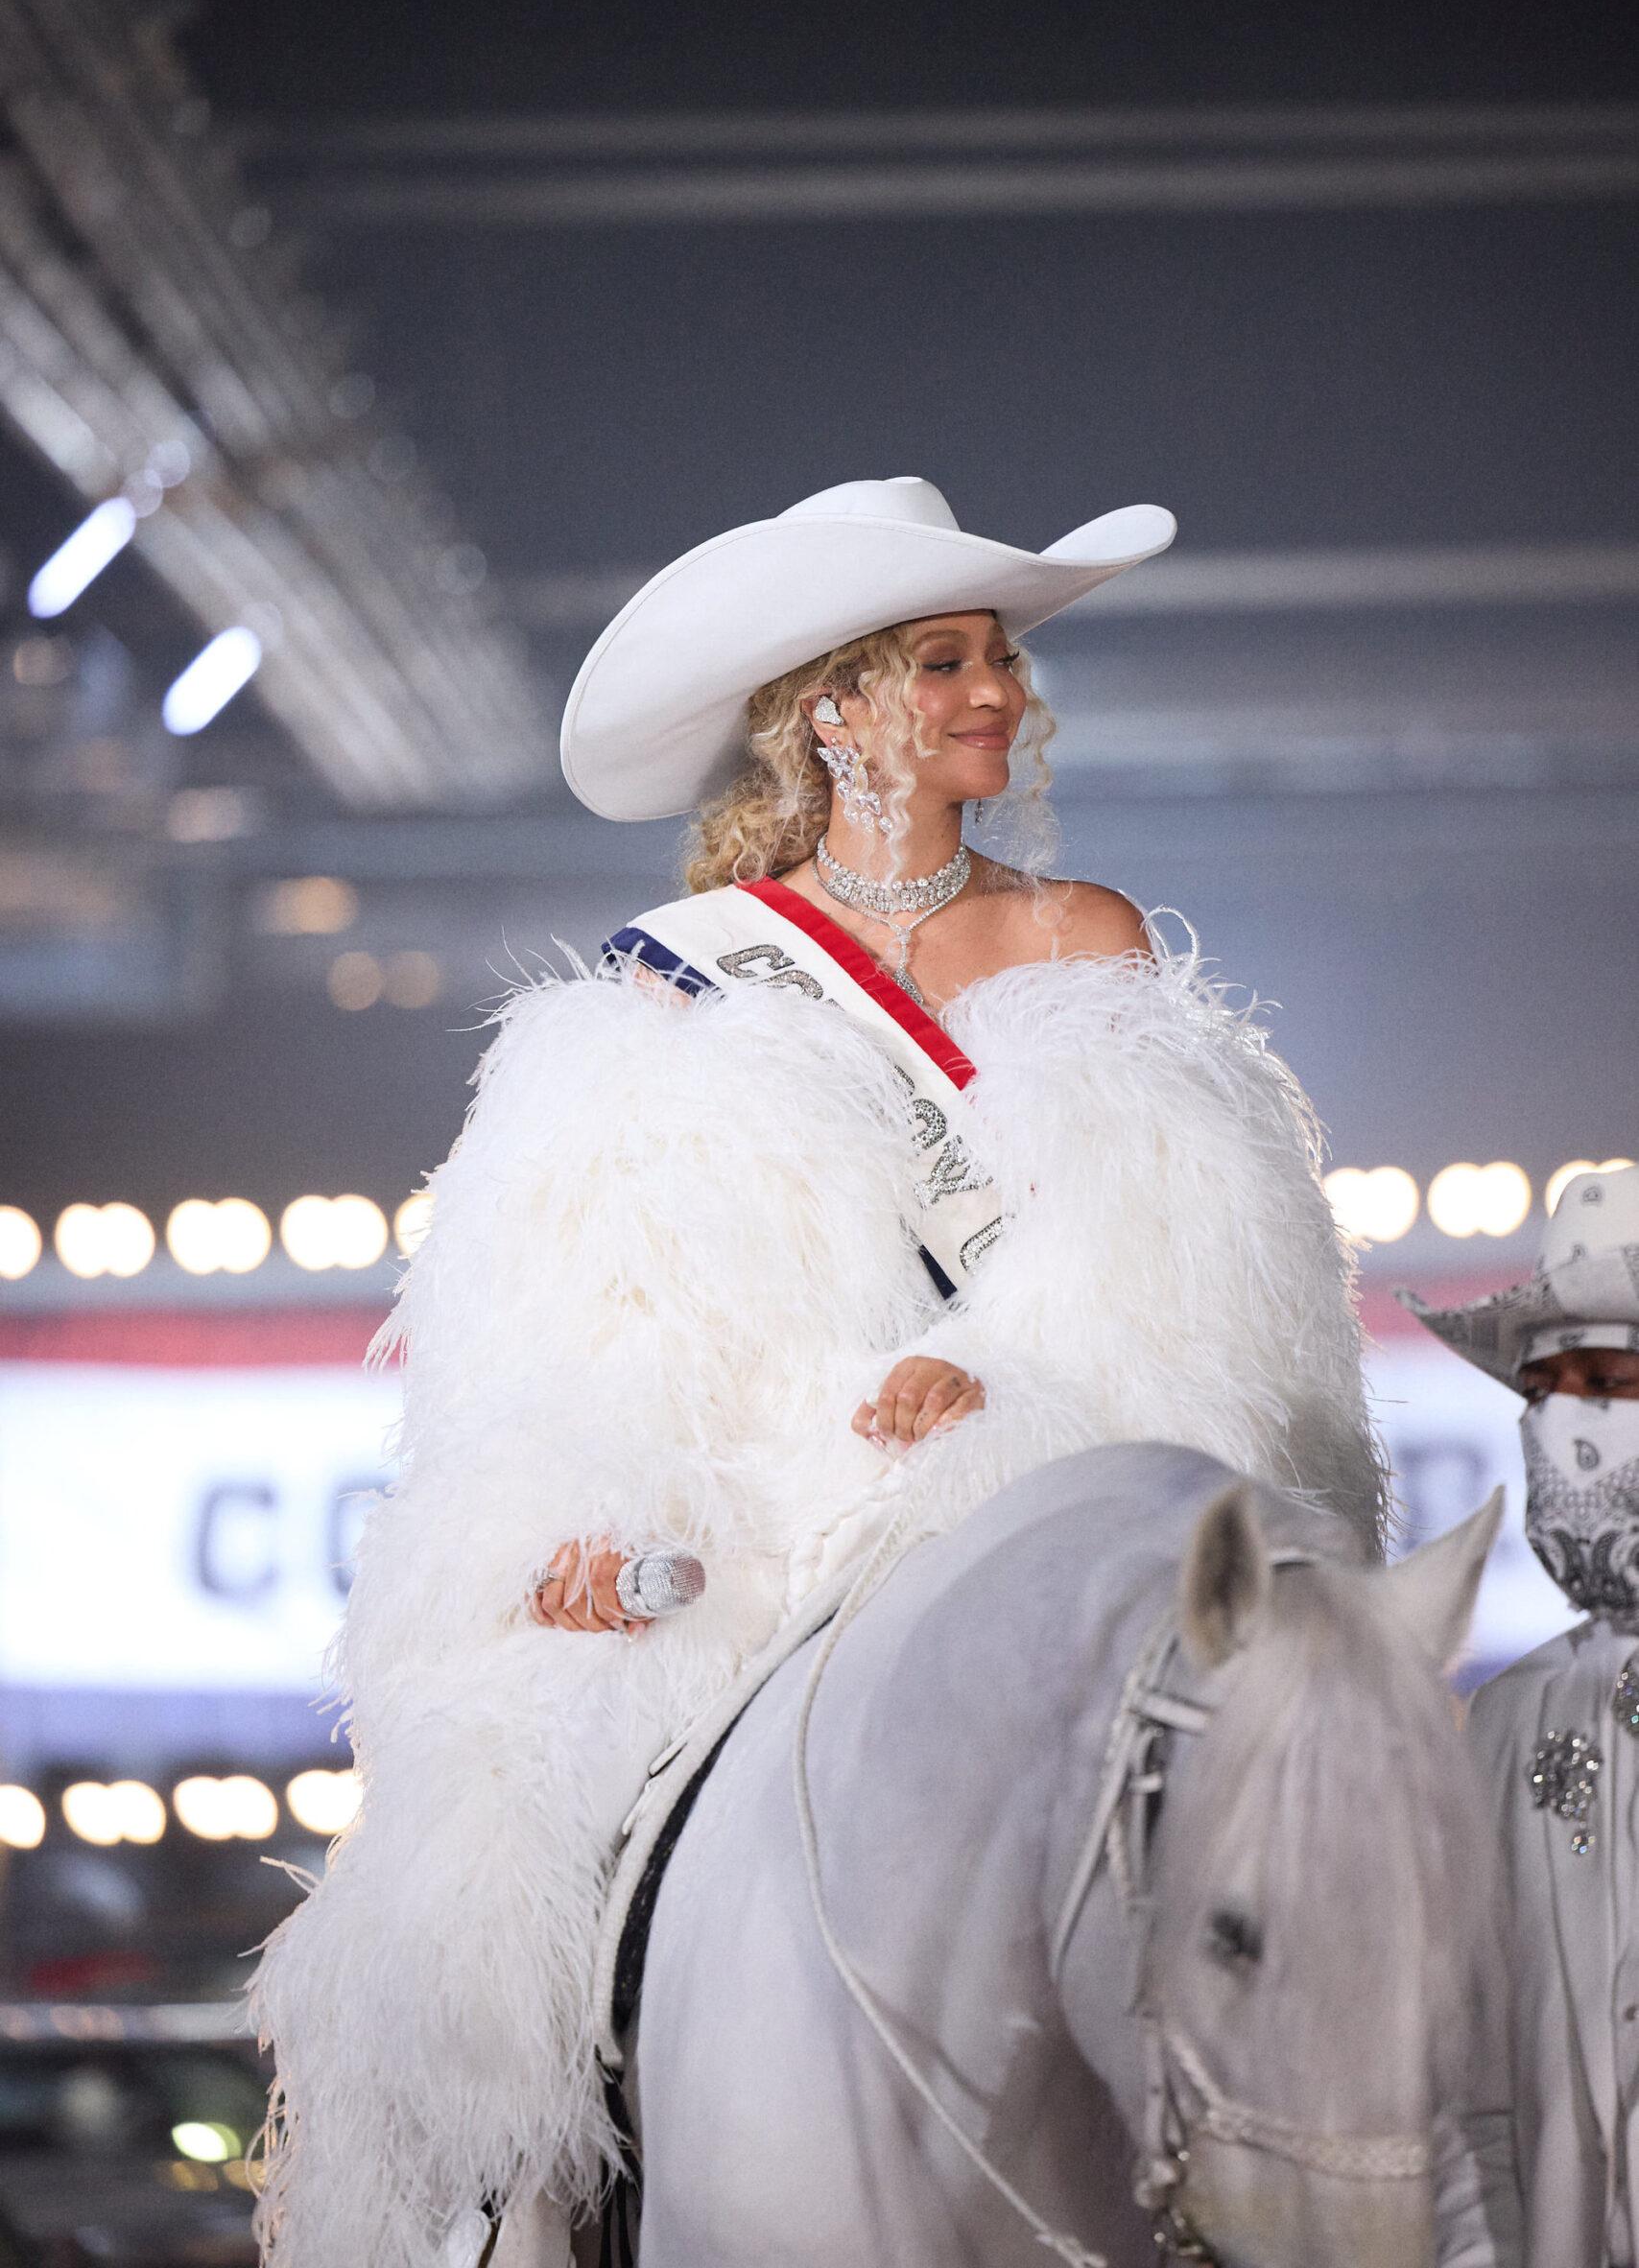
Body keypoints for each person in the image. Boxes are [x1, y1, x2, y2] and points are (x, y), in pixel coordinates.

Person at [249, 474, 1388, 2268]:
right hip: (749, 1516)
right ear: (831, 711)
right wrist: (583, 1513)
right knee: (511, 1832)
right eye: (942, 660)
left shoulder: (1081, 937)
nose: (996, 691)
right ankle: (504, 2217)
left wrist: (1005, 1376)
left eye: (999, 655)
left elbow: (1191, 1290)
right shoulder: (672, 993)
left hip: (1027, 1487)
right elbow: (579, 1324)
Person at [1403, 1160, 1639, 2267]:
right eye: (1543, 1388)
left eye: (1609, 1378)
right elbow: (1465, 2101)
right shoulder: (1508, 1715)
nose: (1565, 1420)